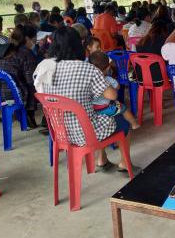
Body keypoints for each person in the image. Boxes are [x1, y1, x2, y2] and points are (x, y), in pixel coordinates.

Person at [33, 27, 136, 173]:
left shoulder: (44, 67)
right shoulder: (87, 68)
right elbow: (112, 95)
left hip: (60, 132)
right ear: (79, 45)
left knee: (95, 113)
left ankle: (102, 160)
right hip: (86, 133)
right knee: (122, 119)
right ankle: (125, 163)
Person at [0, 25, 39, 128]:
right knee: (37, 83)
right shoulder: (26, 53)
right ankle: (28, 114)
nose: (36, 40)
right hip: (14, 95)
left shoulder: (3, 48)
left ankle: (19, 114)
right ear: (27, 39)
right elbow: (32, 81)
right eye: (35, 38)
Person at [88, 51, 139, 130]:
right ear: (108, 68)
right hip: (106, 108)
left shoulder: (88, 80)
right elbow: (118, 87)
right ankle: (134, 123)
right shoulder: (108, 79)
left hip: (93, 109)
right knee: (123, 108)